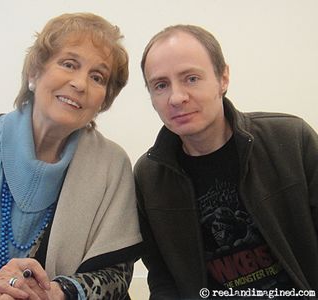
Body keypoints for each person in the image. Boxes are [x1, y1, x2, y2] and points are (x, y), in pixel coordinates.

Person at [0, 12, 142, 300]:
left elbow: (115, 274)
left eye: (97, 77)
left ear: (104, 99)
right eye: (69, 64)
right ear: (34, 72)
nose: (80, 84)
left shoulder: (112, 165)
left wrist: (54, 293)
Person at [134, 24, 318, 299]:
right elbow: (162, 279)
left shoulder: (290, 139)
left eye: (191, 78)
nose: (176, 97)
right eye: (160, 85)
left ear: (223, 78)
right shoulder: (148, 177)